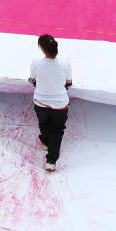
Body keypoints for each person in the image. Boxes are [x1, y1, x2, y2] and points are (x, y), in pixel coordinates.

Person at [29, 34, 72, 171]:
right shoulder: (66, 65)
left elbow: (32, 79)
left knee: (44, 123)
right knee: (57, 130)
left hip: (41, 103)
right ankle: (51, 161)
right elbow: (68, 83)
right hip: (60, 106)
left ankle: (46, 142)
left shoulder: (36, 64)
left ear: (41, 49)